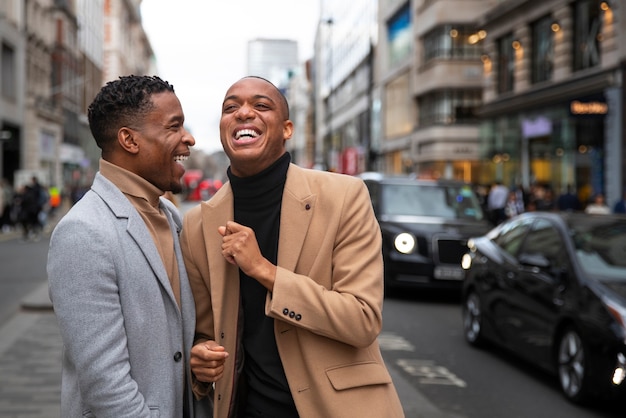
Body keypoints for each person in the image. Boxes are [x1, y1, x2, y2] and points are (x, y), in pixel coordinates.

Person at [180, 76, 404, 418]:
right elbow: (206, 333)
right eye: (231, 107)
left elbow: (362, 320)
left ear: (287, 129)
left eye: (261, 105)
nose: (243, 113)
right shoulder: (197, 225)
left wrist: (264, 271)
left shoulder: (345, 196)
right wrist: (200, 356)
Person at [47, 75, 203, 417]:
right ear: (129, 140)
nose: (188, 138)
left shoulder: (169, 214)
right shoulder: (82, 232)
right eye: (174, 127)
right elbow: (107, 388)